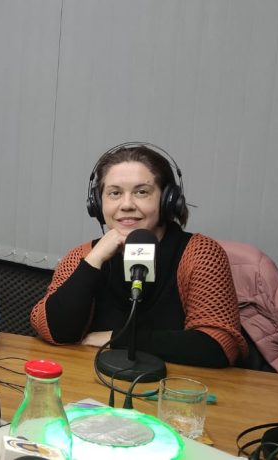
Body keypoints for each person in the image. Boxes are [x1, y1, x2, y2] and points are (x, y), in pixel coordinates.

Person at [30, 143, 247, 367]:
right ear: (98, 203)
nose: (126, 205)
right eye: (114, 193)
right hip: (93, 381)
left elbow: (218, 346)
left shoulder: (200, 253)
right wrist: (94, 260)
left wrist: (118, 339)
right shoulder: (84, 255)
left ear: (168, 200)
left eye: (141, 192)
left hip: (175, 385)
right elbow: (53, 330)